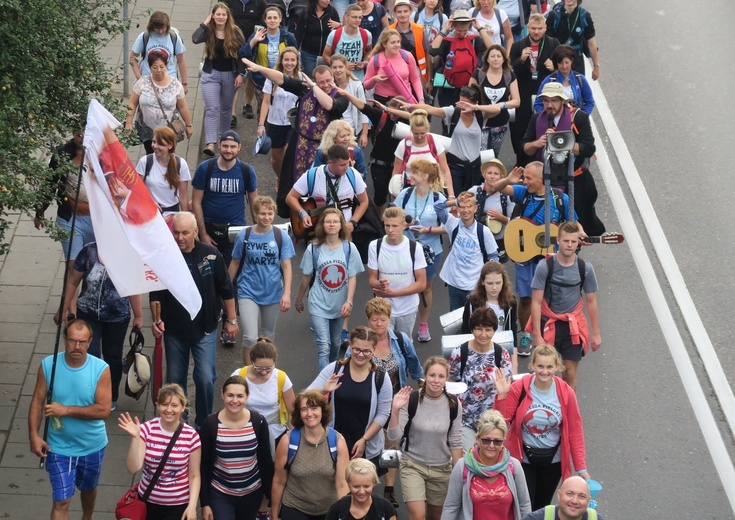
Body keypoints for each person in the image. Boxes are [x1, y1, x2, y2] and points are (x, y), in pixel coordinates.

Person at [150, 212, 238, 430]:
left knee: (206, 378)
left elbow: (226, 288)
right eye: (176, 232)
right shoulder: (164, 258)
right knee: (175, 380)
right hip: (174, 332)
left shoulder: (211, 255)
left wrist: (232, 321)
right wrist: (156, 320)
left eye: (185, 233)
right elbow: (155, 295)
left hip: (205, 330)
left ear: (196, 232)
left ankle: (204, 423)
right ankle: (179, 422)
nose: (180, 237)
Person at [240, 59, 349, 217]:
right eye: (321, 83)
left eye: (328, 81)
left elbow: (329, 105)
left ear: (333, 78)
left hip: (323, 150)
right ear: (314, 81)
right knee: (293, 183)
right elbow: (282, 79)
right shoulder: (306, 90)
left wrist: (313, 87)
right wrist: (260, 69)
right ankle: (296, 217)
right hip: (299, 145)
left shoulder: (341, 96)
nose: (325, 85)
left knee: (319, 186)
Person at [28, 319, 111, 520]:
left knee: (89, 489)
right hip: (58, 447)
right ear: (64, 339)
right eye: (72, 341)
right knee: (61, 501)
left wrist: (66, 410)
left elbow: (103, 410)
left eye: (82, 342)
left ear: (90, 342)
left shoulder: (101, 369)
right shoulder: (49, 366)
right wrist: (34, 436)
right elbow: (37, 401)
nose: (77, 346)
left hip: (92, 445)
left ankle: (87, 517)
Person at [494, 345, 592, 510]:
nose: (544, 371)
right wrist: (502, 396)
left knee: (542, 507)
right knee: (524, 506)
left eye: (549, 367)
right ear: (532, 366)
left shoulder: (566, 392)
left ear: (557, 367)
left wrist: (581, 468)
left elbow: (575, 431)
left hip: (553, 462)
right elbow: (501, 423)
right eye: (540, 366)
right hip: (523, 460)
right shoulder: (520, 388)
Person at [54, 242, 143, 410]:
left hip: (117, 318)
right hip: (88, 314)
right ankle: (88, 393)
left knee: (113, 357)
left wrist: (138, 316)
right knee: (90, 354)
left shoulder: (129, 256)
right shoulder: (89, 252)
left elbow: (133, 289)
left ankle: (110, 395)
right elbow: (73, 282)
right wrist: (63, 309)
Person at [492, 161, 575, 334]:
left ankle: (548, 332)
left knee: (551, 299)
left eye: (529, 178)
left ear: (543, 179)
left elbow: (574, 224)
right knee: (526, 299)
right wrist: (508, 179)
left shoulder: (561, 199)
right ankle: (526, 334)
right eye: (524, 178)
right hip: (525, 258)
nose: (524, 181)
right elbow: (495, 187)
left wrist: (580, 235)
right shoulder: (523, 193)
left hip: (550, 259)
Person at [521, 82, 604, 236]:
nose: (549, 105)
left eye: (554, 100)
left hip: (573, 178)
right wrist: (538, 143)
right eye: (546, 100)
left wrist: (565, 143)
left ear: (563, 101)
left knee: (574, 225)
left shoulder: (579, 118)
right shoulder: (537, 118)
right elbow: (525, 147)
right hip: (545, 178)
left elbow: (589, 147)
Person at [364, 296, 424, 507]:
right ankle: (367, 485)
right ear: (368, 320)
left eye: (382, 319)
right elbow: (347, 363)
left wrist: (422, 384)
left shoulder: (399, 339)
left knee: (391, 444)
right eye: (374, 319)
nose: (379, 324)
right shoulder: (362, 341)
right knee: (370, 443)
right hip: (369, 402)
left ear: (389, 319)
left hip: (396, 401)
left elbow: (413, 362)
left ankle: (389, 488)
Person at [387, 357, 463, 520]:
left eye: (441, 376)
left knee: (436, 516)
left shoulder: (454, 404)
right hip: (413, 465)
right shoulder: (411, 400)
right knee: (418, 516)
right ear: (425, 376)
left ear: (446, 379)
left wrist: (460, 474)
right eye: (432, 375)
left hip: (442, 469)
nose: (436, 380)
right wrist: (394, 410)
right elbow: (394, 437)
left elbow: (456, 441)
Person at [530, 221, 600, 390]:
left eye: (573, 241)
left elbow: (591, 301)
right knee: (545, 375)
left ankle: (567, 413)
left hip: (572, 326)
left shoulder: (585, 268)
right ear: (558, 241)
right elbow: (536, 302)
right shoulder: (545, 266)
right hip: (549, 323)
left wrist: (596, 334)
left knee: (570, 374)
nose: (569, 245)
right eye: (566, 241)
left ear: (578, 243)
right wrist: (537, 335)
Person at [309, 327, 393, 469]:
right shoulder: (335, 369)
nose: (361, 354)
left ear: (373, 351)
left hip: (366, 445)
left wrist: (364, 440)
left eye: (366, 351)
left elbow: (383, 413)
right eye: (356, 349)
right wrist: (323, 390)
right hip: (334, 443)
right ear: (350, 347)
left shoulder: (381, 378)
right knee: (335, 488)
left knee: (361, 489)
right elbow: (306, 397)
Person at [118, 384, 201, 520]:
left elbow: (194, 475)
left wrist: (192, 506)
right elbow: (133, 468)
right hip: (148, 501)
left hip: (178, 504)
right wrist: (135, 437)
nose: (169, 410)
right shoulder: (146, 429)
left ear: (182, 407)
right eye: (164, 404)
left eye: (174, 405)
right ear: (158, 405)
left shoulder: (191, 436)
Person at [295, 209, 364, 370]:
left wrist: (349, 301)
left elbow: (352, 276)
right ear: (322, 225)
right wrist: (299, 300)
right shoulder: (313, 249)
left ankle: (332, 371)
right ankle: (323, 388)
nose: (332, 224)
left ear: (341, 225)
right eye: (328, 221)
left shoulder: (349, 248)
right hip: (318, 303)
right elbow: (306, 277)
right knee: (323, 346)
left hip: (340, 305)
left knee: (335, 344)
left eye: (335, 221)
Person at [198, 375, 274, 520]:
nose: (234, 401)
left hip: (252, 493)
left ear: (247, 396)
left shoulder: (258, 422)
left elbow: (265, 461)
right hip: (220, 493)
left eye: (240, 396)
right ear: (222, 395)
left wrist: (270, 497)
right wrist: (205, 503)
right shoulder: (210, 424)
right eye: (230, 395)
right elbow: (203, 465)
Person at [35, 131, 95, 313]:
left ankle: (85, 301)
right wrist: (40, 210)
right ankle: (71, 311)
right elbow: (50, 183)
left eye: (85, 133)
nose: (81, 137)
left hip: (96, 221)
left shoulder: (100, 153)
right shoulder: (62, 154)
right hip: (70, 218)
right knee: (73, 264)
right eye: (78, 134)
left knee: (91, 265)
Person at [271, 390, 350, 520]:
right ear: (299, 414)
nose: (309, 414)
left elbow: (342, 483)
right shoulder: (287, 441)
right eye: (304, 409)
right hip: (294, 506)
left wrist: (343, 514)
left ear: (322, 411)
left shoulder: (337, 441)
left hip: (329, 508)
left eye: (314, 408)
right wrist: (274, 514)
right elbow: (279, 481)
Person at [229, 196, 294, 351]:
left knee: (267, 337)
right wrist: (225, 289)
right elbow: (235, 262)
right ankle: (248, 373)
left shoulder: (281, 236)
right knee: (250, 338)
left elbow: (286, 266)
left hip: (272, 291)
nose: (266, 217)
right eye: (263, 214)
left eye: (270, 214)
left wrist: (287, 293)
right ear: (255, 214)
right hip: (247, 290)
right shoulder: (244, 235)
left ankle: (267, 370)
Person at [442, 410, 532, 520]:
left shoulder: (514, 466)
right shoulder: (462, 466)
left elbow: (524, 505)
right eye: (486, 440)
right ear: (478, 439)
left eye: (497, 441)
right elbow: (451, 507)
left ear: (503, 441)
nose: (491, 445)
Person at [394, 159, 446, 342]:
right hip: (407, 248)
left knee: (425, 287)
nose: (411, 175)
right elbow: (392, 216)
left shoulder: (439, 199)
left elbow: (449, 227)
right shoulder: (405, 195)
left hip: (431, 250)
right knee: (405, 284)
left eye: (414, 172)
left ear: (425, 176)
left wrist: (428, 230)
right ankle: (403, 322)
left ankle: (423, 324)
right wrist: (405, 225)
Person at [191, 130, 259, 266]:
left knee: (231, 275)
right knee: (208, 274)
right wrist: (203, 234)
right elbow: (196, 203)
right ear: (219, 146)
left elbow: (254, 203)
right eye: (225, 146)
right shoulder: (205, 168)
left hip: (236, 231)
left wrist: (259, 232)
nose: (229, 150)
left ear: (239, 147)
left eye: (233, 147)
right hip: (209, 229)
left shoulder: (246, 171)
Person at [449, 307, 512, 448]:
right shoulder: (460, 352)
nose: (483, 334)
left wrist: (503, 392)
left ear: (494, 330)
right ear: (472, 329)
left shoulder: (502, 354)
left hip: (492, 421)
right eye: (479, 329)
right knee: (468, 459)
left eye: (488, 329)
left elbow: (508, 389)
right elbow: (451, 383)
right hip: (465, 419)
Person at [403, 87, 484, 193]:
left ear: (475, 104)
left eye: (466, 104)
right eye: (460, 102)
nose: (462, 106)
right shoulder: (453, 112)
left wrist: (476, 108)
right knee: (454, 199)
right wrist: (410, 105)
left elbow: (497, 109)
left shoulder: (481, 115)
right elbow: (430, 109)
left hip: (475, 167)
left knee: (471, 201)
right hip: (455, 167)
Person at [335, 89, 405, 211]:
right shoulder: (381, 117)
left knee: (399, 196)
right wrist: (346, 94)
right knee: (380, 197)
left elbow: (421, 117)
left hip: (400, 167)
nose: (392, 114)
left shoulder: (408, 121)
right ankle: (380, 223)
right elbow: (363, 107)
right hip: (380, 165)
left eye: (397, 111)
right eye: (391, 109)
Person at [192, 3, 246, 156]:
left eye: (223, 15)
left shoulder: (235, 32)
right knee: (212, 109)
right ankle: (210, 143)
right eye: (218, 14)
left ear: (228, 17)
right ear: (213, 16)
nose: (221, 17)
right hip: (211, 74)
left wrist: (241, 74)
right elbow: (195, 39)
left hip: (230, 74)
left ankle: (224, 138)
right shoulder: (208, 31)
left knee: (226, 109)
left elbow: (243, 54)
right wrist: (205, 23)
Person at [508, 13, 559, 166]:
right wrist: (521, 60)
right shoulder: (518, 46)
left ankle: (544, 162)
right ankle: (521, 163)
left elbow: (563, 68)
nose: (536, 32)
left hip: (544, 94)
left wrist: (554, 68)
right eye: (533, 28)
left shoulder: (553, 44)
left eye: (540, 28)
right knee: (520, 129)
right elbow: (510, 72)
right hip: (523, 93)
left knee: (544, 126)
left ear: (545, 28)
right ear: (528, 28)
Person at [368, 209, 427, 337]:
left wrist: (394, 293)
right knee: (382, 345)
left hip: (407, 308)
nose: (390, 230)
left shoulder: (415, 248)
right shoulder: (375, 246)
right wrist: (380, 284)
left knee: (403, 346)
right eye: (387, 225)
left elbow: (422, 284)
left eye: (394, 226)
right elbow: (372, 280)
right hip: (382, 309)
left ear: (404, 226)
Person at [435, 192, 499, 310]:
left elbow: (494, 256)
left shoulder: (484, 231)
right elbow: (437, 207)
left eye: (469, 206)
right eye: (462, 207)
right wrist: (455, 201)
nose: (465, 210)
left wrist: (491, 268)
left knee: (475, 322)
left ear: (475, 208)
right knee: (455, 323)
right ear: (458, 208)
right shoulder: (452, 223)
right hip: (454, 283)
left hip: (474, 286)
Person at [287, 144, 370, 236]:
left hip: (343, 230)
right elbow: (290, 197)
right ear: (330, 162)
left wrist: (353, 222)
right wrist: (303, 213)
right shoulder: (312, 174)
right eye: (342, 165)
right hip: (317, 231)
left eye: (347, 163)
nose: (347, 167)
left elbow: (364, 201)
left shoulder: (353, 174)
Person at [232, 338, 296, 454]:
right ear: (251, 361)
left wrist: (295, 438)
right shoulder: (239, 375)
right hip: (244, 430)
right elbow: (230, 405)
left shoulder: (281, 378)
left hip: (275, 432)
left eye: (269, 368)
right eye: (259, 368)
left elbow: (293, 411)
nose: (264, 372)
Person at [124, 49, 194, 154]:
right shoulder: (142, 82)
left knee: (166, 156)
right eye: (155, 67)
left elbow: (183, 106)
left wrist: (188, 125)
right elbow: (132, 103)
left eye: (162, 67)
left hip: (168, 129)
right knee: (150, 154)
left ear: (166, 66)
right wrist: (128, 122)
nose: (159, 70)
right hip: (147, 130)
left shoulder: (175, 84)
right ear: (150, 68)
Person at [239, 6, 298, 123]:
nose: (272, 20)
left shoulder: (287, 37)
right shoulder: (259, 35)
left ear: (280, 19)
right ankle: (263, 135)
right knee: (263, 111)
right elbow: (243, 54)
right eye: (269, 18)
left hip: (282, 79)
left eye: (275, 17)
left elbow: (296, 57)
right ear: (265, 20)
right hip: (261, 80)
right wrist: (254, 40)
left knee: (281, 111)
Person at [258, 46, 306, 182]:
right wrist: (261, 125)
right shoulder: (272, 78)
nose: (289, 63)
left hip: (294, 123)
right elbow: (266, 102)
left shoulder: (302, 78)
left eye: (292, 60)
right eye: (286, 60)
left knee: (289, 155)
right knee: (276, 160)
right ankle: (281, 178)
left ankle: (288, 182)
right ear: (281, 61)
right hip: (275, 123)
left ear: (297, 62)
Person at [462, 260, 519, 370]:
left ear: (504, 282)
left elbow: (512, 334)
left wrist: (514, 365)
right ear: (482, 282)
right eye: (490, 283)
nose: (494, 288)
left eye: (498, 283)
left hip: (501, 351)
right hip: (477, 351)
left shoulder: (510, 302)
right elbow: (465, 333)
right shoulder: (472, 304)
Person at [429, 10, 493, 108]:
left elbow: (492, 49)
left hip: (469, 86)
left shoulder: (473, 39)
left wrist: (480, 29)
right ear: (453, 26)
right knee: (448, 119)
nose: (462, 34)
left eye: (465, 31)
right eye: (459, 31)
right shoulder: (447, 40)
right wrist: (444, 30)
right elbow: (432, 50)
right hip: (448, 88)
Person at [469, 44, 520, 157]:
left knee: (493, 155)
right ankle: (479, 174)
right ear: (487, 59)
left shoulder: (509, 76)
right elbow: (469, 98)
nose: (495, 59)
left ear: (503, 59)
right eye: (492, 56)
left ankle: (491, 174)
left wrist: (501, 105)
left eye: (498, 56)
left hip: (500, 123)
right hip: (481, 122)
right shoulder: (478, 75)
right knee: (481, 155)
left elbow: (516, 101)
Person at [223, 0, 267, 124]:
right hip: (233, 43)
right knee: (234, 74)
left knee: (250, 74)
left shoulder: (259, 3)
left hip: (252, 44)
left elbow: (264, 21)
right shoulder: (228, 2)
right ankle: (232, 113)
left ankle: (247, 104)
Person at [392, 110, 454, 197]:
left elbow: (445, 170)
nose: (419, 137)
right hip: (409, 190)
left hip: (433, 189)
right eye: (416, 133)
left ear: (427, 129)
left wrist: (451, 195)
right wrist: (394, 195)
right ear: (411, 130)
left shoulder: (435, 143)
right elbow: (396, 172)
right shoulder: (403, 145)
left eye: (422, 133)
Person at [137, 125, 191, 221]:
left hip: (172, 216)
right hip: (149, 214)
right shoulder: (145, 162)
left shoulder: (180, 164)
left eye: (160, 144)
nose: (155, 146)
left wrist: (184, 219)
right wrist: (148, 203)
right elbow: (136, 190)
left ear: (170, 146)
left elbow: (183, 196)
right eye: (154, 142)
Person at [468, 160, 515, 262]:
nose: (492, 176)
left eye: (496, 174)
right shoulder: (474, 191)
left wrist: (502, 218)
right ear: (484, 174)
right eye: (489, 173)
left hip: (498, 240)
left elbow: (514, 222)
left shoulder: (506, 195)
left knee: (495, 271)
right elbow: (461, 211)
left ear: (501, 177)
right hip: (477, 238)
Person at [363, 29, 424, 105]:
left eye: (398, 42)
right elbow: (366, 85)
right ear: (384, 44)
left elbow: (415, 79)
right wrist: (374, 79)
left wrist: (421, 99)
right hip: (383, 100)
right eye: (393, 43)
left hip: (404, 99)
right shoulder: (375, 59)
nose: (397, 45)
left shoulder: (407, 56)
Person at [325, 459, 397, 520]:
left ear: (374, 483)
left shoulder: (385, 508)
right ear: (348, 484)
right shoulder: (337, 509)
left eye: (366, 486)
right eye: (356, 487)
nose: (362, 492)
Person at [545, 0, 599, 80]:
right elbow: (546, 42)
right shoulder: (554, 15)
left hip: (576, 60)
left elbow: (591, 43)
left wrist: (596, 66)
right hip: (557, 59)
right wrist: (549, 62)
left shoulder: (584, 16)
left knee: (578, 88)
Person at [130, 11, 188, 84]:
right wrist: (139, 78)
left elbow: (181, 61)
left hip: (169, 82)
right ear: (152, 26)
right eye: (157, 28)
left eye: (163, 28)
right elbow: (132, 57)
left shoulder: (174, 37)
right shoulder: (144, 37)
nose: (160, 31)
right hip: (148, 82)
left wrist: (184, 83)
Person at [534, 45, 594, 115]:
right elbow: (538, 103)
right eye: (561, 63)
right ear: (556, 63)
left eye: (566, 62)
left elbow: (589, 102)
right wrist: (548, 118)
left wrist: (581, 117)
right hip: (554, 124)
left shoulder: (580, 79)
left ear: (572, 61)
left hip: (576, 124)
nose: (564, 66)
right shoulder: (549, 80)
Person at [328, 56, 371, 148]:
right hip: (332, 129)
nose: (337, 70)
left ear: (346, 66)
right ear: (330, 68)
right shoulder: (328, 85)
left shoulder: (357, 85)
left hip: (351, 129)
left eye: (340, 67)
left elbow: (364, 110)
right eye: (334, 67)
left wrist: (364, 134)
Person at [322, 5, 373, 81]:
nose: (358, 20)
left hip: (358, 79)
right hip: (339, 79)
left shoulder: (366, 34)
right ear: (346, 17)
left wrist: (364, 62)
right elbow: (325, 56)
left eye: (360, 17)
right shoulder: (334, 34)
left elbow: (369, 51)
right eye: (354, 17)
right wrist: (342, 65)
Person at [293, 0, 340, 77]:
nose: (327, 0)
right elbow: (298, 35)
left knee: (326, 80)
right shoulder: (306, 14)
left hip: (327, 55)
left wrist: (340, 25)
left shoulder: (332, 12)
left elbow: (340, 33)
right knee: (311, 80)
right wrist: (294, 52)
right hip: (309, 54)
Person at [388, 0, 431, 86]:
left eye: (405, 11)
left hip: (417, 75)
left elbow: (427, 55)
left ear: (410, 12)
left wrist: (429, 80)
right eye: (399, 12)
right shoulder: (388, 31)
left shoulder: (420, 30)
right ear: (394, 13)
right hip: (395, 76)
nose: (402, 14)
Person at [522, 476, 604, 520]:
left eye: (581, 496)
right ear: (559, 495)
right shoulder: (537, 518)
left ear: (588, 500)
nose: (575, 501)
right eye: (570, 494)